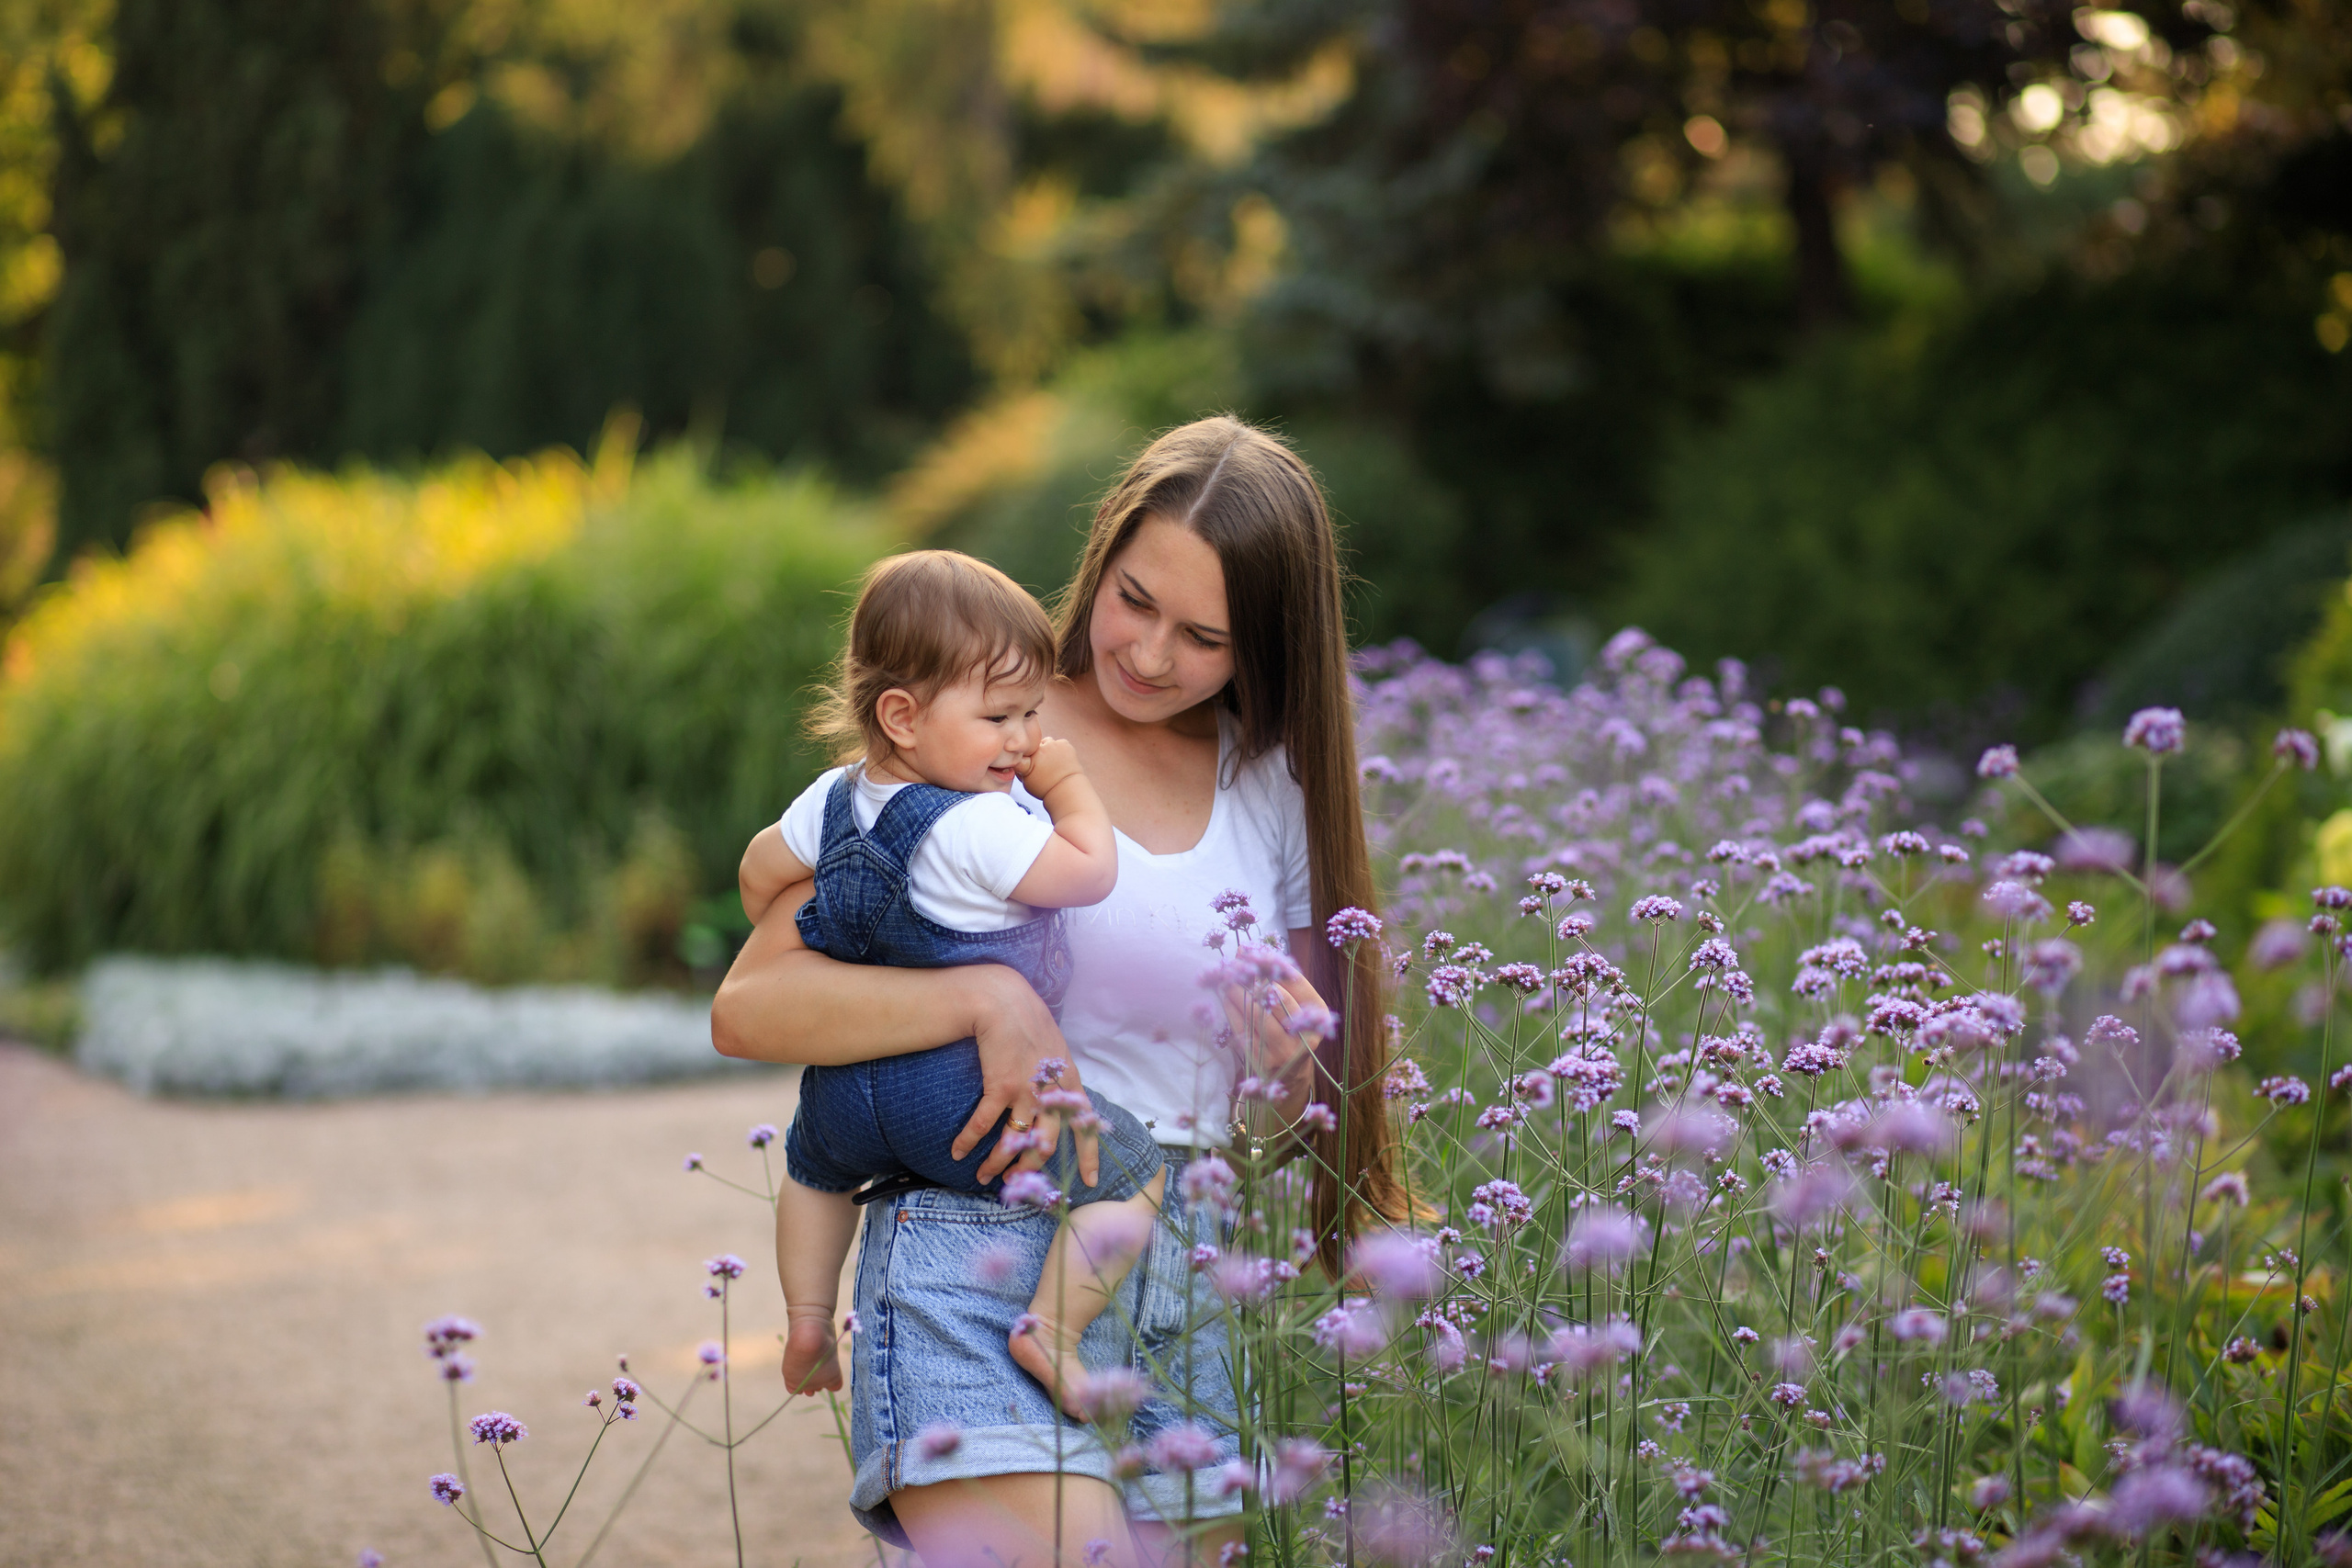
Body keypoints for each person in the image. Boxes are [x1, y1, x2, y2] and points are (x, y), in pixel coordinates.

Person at [714, 416, 1411, 1568]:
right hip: (976, 1247)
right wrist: (989, 1001)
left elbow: (1289, 1110)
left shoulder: (1271, 788)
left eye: (1203, 636)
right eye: (1133, 600)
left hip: (1175, 1270)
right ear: (1100, 555)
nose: (1146, 653)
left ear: (1267, 649)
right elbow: (751, 1005)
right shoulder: (979, 737)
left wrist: (1290, 1066)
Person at [739, 549, 1169, 1418]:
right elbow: (1085, 875)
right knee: (1132, 1175)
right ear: (901, 714)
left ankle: (811, 1318)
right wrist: (1072, 787)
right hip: (962, 1092)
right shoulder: (982, 823)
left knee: (816, 1172)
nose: (1023, 740)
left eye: (1033, 715)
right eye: (1000, 715)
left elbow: (758, 875)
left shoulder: (829, 798)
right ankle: (1051, 1328)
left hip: (846, 1081)